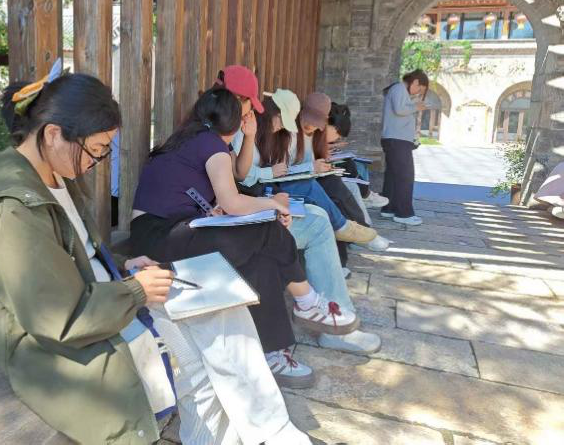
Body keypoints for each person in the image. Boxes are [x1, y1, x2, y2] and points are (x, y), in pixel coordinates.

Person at [0, 65, 310, 444]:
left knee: (222, 311)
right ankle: (273, 434)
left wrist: (124, 264)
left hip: (105, 301)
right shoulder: (12, 208)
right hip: (64, 342)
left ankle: (272, 432)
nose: (96, 161)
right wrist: (136, 290)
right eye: (96, 149)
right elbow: (56, 316)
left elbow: (78, 253)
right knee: (199, 359)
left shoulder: (50, 173)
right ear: (53, 134)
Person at [129, 87, 362, 385]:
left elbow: (214, 191)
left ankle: (273, 352)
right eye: (245, 117)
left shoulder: (192, 138)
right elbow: (233, 202)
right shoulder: (212, 144)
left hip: (168, 233)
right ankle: (307, 301)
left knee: (261, 256)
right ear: (235, 122)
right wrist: (273, 205)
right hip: (160, 241)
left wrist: (229, 208)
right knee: (267, 228)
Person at [231, 91, 381, 354]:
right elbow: (241, 177)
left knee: (319, 213)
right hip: (249, 210)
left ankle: (334, 313)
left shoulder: (265, 133)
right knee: (317, 218)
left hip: (263, 200)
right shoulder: (242, 131)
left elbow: (261, 175)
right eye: (280, 122)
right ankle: (332, 323)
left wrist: (275, 194)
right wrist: (271, 184)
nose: (281, 128)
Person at [379, 69, 429, 226]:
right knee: (405, 176)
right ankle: (403, 213)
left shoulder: (399, 90)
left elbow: (400, 110)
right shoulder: (399, 88)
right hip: (397, 140)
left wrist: (413, 104)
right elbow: (399, 110)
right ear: (415, 82)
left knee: (393, 176)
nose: (417, 93)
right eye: (419, 89)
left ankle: (388, 208)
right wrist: (416, 107)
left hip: (395, 139)